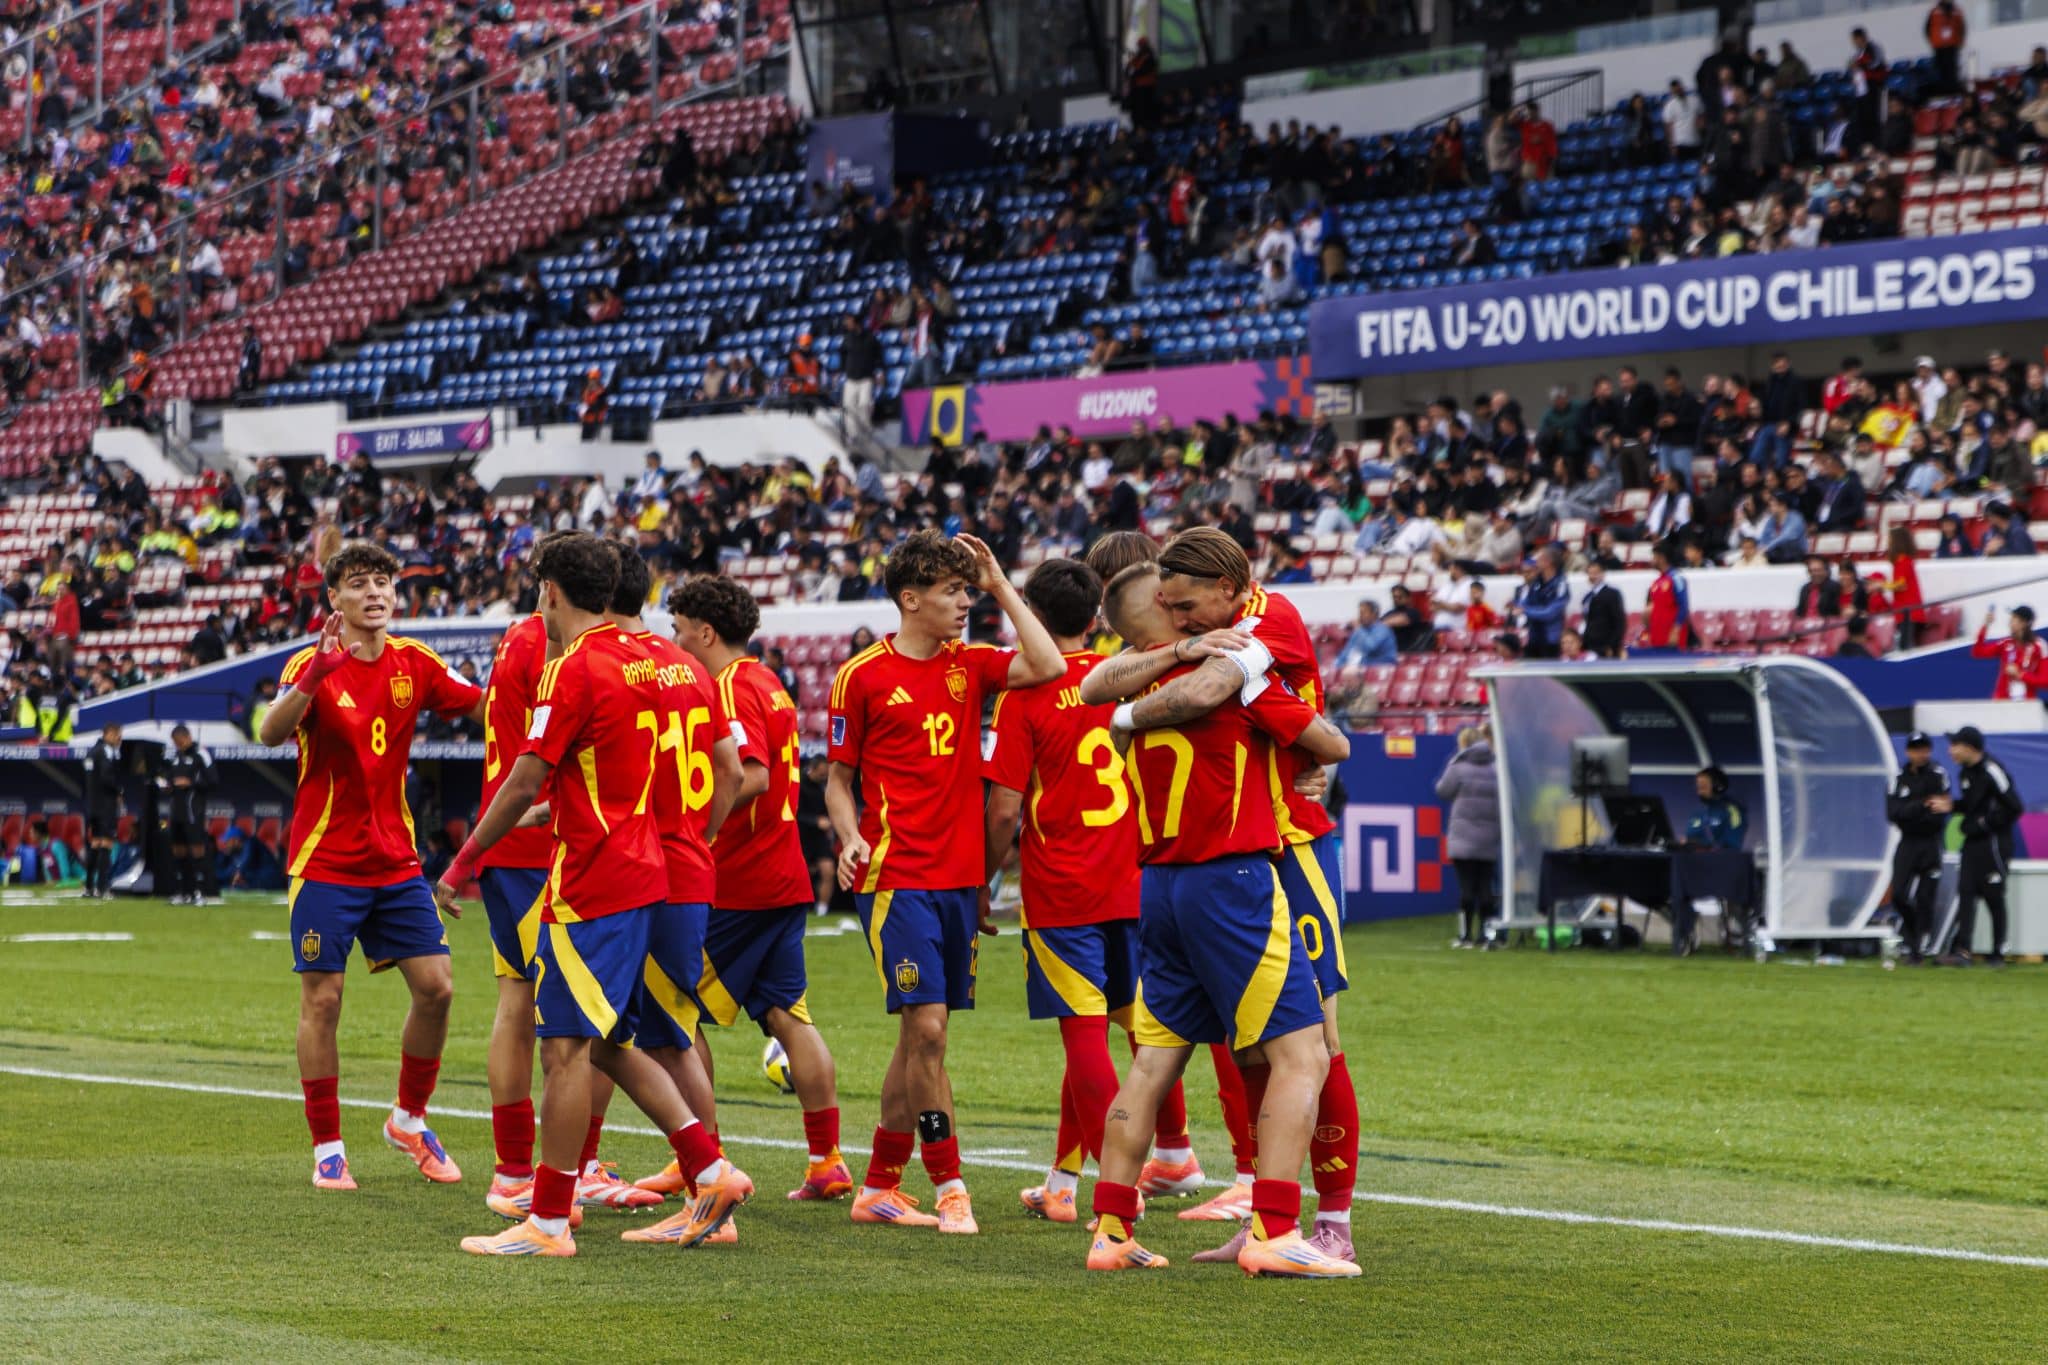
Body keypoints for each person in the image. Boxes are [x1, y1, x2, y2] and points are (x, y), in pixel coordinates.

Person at [437, 533, 749, 1256]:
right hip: (651, 868)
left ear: (550, 590)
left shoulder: (574, 666)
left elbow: (524, 778)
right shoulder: (666, 660)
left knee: (564, 1050)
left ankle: (547, 1220)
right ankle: (710, 1169)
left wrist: (462, 863)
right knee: (613, 1042)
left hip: (592, 879)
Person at [1078, 527, 1362, 1260]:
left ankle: (1114, 1227)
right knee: (1302, 1051)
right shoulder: (1220, 673)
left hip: (1179, 879)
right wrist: (1306, 742)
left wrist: (1125, 713)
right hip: (1238, 874)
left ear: (1227, 589)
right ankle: (1279, 1226)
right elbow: (1330, 740)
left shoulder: (1259, 623)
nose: (1183, 618)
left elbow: (1100, 689)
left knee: (1166, 1059)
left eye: (1187, 605)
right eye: (1171, 609)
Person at [825, 529, 1064, 1233]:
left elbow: (1048, 663)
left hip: (959, 881)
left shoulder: (972, 665)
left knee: (920, 1038)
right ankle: (948, 1182)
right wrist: (850, 836)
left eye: (966, 591)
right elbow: (838, 781)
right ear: (911, 598)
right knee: (927, 1030)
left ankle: (878, 1184)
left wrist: (999, 584)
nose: (965, 603)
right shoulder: (861, 675)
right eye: (953, 591)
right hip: (896, 877)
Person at [982, 559, 1204, 1224]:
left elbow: (1003, 809)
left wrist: (982, 882)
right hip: (1135, 879)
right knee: (1143, 1031)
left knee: (1083, 1038)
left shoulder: (1027, 693)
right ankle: (1079, 1175)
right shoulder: (1126, 673)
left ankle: (1120, 1183)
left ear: (1033, 617)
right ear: (1095, 616)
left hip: (1064, 887)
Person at [260, 542, 487, 1193]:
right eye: (359, 583)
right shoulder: (311, 662)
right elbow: (271, 732)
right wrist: (314, 676)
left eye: (383, 581)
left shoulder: (415, 661)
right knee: (323, 999)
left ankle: (408, 1121)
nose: (376, 592)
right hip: (326, 862)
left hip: (395, 862)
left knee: (437, 988)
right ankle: (328, 1148)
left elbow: (485, 707)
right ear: (334, 598)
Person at [658, 574, 853, 1204]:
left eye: (678, 629)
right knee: (788, 1015)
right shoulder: (768, 682)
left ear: (705, 632)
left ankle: (701, 1163)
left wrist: (693, 827)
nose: (674, 640)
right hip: (781, 875)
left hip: (738, 882)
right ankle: (826, 1161)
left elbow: (751, 775)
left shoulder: (729, 687)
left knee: (674, 1015)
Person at [473, 568, 646, 1219]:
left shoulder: (522, 638)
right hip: (538, 847)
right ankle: (532, 1170)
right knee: (563, 1016)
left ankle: (530, 1168)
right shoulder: (558, 647)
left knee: (532, 1005)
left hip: (523, 847)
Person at [596, 543, 748, 1242]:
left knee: (662, 1036)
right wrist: (701, 834)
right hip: (686, 863)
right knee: (663, 1031)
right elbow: (732, 771)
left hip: (646, 870)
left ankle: (707, 1190)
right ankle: (703, 1183)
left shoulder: (612, 666)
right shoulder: (687, 666)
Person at [1939, 726, 2021, 966]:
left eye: (1955, 745)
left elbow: (2014, 807)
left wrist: (1985, 823)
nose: (1950, 751)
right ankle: (1963, 951)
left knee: (1993, 895)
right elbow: (1972, 805)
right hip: (1972, 842)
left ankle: (1998, 952)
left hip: (1993, 843)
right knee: (1966, 893)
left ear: (1969, 747)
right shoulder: (1965, 773)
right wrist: (1953, 806)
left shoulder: (1991, 770)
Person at [1435, 725, 1500, 948]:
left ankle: (1465, 935)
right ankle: (1486, 934)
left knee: (1467, 887)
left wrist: (1453, 763)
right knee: (1485, 886)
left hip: (1463, 836)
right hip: (1489, 835)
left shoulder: (1459, 766)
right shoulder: (1495, 767)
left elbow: (1443, 790)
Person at [1887, 732, 1949, 963]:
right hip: (1908, 841)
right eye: (1915, 749)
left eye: (1924, 749)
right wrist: (1922, 805)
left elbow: (1938, 813)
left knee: (1926, 896)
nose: (1920, 754)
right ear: (1908, 752)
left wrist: (1911, 811)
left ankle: (1918, 948)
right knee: (1899, 894)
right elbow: (1893, 813)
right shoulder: (1898, 778)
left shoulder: (1937, 775)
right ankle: (1912, 933)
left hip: (1931, 842)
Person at [158, 725, 214, 905]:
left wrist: (190, 783)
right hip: (176, 811)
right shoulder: (176, 757)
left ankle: (200, 892)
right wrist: (167, 785)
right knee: (178, 850)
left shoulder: (201, 754)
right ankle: (184, 892)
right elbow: (169, 778)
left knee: (196, 849)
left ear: (188, 737)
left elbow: (213, 780)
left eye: (180, 742)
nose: (178, 745)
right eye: (175, 743)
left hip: (193, 810)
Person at [81, 722, 124, 899]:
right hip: (106, 805)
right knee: (106, 844)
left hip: (92, 805)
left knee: (95, 844)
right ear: (109, 734)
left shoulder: (91, 752)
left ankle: (89, 887)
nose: (119, 739)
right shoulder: (106, 751)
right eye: (117, 735)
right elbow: (107, 777)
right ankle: (102, 888)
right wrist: (119, 791)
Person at [1970, 604, 2048, 700]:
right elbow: (1977, 652)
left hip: (2025, 704)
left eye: (2014, 619)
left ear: (2024, 623)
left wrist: (2020, 675)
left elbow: (2045, 681)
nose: (2009, 623)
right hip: (2001, 702)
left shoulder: (2039, 646)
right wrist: (1985, 626)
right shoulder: (2006, 643)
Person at [1517, 547, 1568, 659]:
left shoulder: (1560, 585)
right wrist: (1519, 606)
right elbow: (1525, 603)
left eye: (1538, 559)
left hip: (1550, 639)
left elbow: (1550, 613)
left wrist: (1526, 611)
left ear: (1548, 562)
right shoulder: (1536, 583)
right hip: (1533, 637)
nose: (1535, 563)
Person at [1642, 541, 1690, 649]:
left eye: (1654, 557)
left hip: (1671, 637)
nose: (1652, 560)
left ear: (1662, 558)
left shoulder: (1676, 578)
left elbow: (1683, 606)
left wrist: (1676, 630)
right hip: (1657, 637)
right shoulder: (1656, 582)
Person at [1884, 527, 1926, 650]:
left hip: (1909, 614)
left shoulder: (1903, 561)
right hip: (1906, 613)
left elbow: (1900, 585)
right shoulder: (1903, 561)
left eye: (1890, 540)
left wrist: (1881, 585)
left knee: (1905, 647)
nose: (1888, 544)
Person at [1683, 767, 1744, 849]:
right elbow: (1689, 838)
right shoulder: (1698, 812)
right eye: (1698, 787)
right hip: (1693, 856)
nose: (1699, 792)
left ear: (1718, 787)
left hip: (1719, 857)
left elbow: (1732, 846)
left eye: (1703, 787)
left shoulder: (1733, 812)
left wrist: (1702, 845)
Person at [1580, 560, 1626, 658]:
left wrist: (1612, 645)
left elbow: (1619, 622)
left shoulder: (1612, 594)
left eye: (1595, 573)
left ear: (1602, 574)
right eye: (1590, 573)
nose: (1592, 576)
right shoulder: (1587, 597)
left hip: (1605, 645)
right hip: (1589, 645)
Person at [1334, 600, 1397, 668]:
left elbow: (1370, 647)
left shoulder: (1382, 629)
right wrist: (1338, 664)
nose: (1360, 616)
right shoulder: (1361, 630)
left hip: (1383, 665)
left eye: (1363, 613)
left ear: (1373, 614)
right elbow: (1348, 650)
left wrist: (1358, 628)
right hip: (1364, 665)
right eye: (1360, 613)